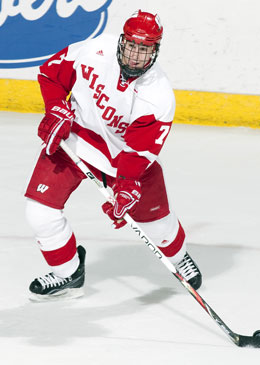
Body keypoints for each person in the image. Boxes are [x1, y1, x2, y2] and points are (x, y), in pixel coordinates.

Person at [25, 10, 202, 301]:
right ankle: (67, 273)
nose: (134, 56)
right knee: (39, 211)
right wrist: (56, 107)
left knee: (156, 225)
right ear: (122, 41)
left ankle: (179, 256)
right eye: (131, 46)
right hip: (74, 140)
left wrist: (127, 184)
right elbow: (50, 73)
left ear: (155, 51)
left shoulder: (157, 96)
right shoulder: (93, 50)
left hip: (124, 159)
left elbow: (140, 149)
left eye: (144, 49)